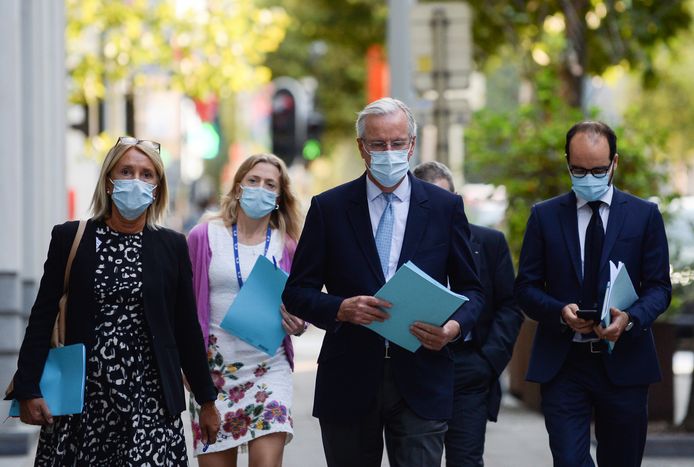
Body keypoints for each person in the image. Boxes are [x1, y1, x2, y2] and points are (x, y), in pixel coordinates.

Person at [282, 97, 485, 467]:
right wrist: (340, 309)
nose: (388, 152)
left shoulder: (444, 207)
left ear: (411, 145)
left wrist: (453, 328)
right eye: (378, 144)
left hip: (422, 376)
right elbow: (297, 293)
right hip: (349, 377)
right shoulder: (330, 208)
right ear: (362, 147)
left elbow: (473, 291)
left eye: (397, 143)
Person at [6, 136, 220, 465]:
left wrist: (206, 401)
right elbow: (42, 317)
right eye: (126, 171)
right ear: (109, 182)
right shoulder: (70, 238)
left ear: (157, 187)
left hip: (150, 402)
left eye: (147, 174)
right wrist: (28, 387)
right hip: (84, 402)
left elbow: (186, 329)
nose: (137, 181)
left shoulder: (171, 247)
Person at [514, 121, 672, 467]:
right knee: (569, 461)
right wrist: (560, 312)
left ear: (614, 163)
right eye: (579, 169)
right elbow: (525, 287)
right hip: (565, 363)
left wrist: (630, 320)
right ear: (567, 162)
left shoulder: (644, 216)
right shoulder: (545, 216)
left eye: (599, 170)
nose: (589, 177)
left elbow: (659, 287)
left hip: (625, 363)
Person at [187, 153, 306, 467]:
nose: (260, 188)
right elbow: (183, 305)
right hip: (213, 375)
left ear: (280, 197)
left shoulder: (288, 245)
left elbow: (302, 306)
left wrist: (298, 323)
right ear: (238, 186)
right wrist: (186, 366)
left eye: (270, 184)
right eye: (253, 180)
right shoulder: (204, 236)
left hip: (269, 370)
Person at [413, 161, 524, 467]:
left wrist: (488, 361)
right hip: (417, 368)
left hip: (469, 368)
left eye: (446, 200)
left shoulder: (488, 243)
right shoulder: (404, 247)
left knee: (466, 460)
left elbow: (509, 305)